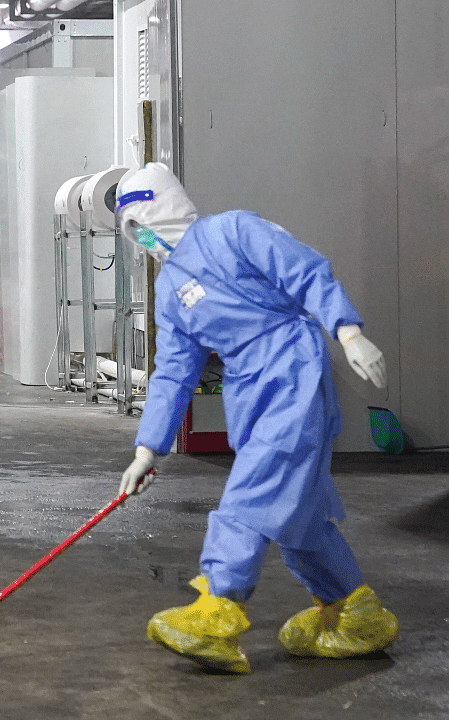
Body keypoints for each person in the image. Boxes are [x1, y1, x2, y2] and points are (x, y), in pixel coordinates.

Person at [115, 163, 399, 674]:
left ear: (161, 209)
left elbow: (305, 270)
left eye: (141, 222)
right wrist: (147, 448)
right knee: (299, 518)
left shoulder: (233, 230)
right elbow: (173, 372)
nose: (142, 239)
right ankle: (356, 615)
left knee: (250, 495)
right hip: (247, 388)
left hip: (293, 372)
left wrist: (348, 331)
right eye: (131, 231)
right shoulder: (170, 291)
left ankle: (217, 611)